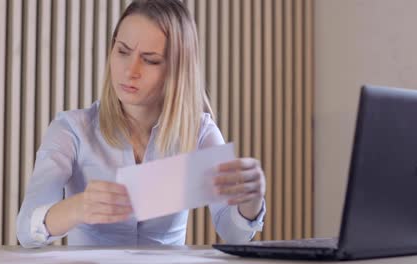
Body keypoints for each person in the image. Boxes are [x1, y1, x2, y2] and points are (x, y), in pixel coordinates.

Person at [17, 0, 266, 248]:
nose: (130, 70)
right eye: (123, 51)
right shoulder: (71, 129)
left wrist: (250, 202)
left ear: (177, 70)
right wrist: (77, 208)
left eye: (150, 60)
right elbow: (26, 231)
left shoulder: (200, 132)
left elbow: (233, 234)